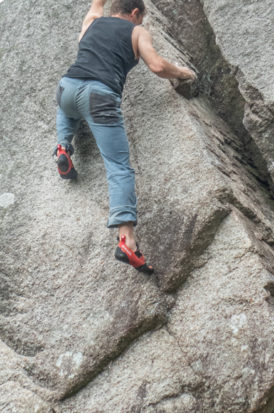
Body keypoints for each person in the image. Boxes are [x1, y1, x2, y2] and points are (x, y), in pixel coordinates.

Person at [54, 0, 196, 274]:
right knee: (119, 168)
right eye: (141, 18)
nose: (141, 23)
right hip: (100, 97)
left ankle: (63, 147)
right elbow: (156, 65)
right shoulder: (137, 32)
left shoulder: (93, 22)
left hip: (67, 87)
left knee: (67, 102)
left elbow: (96, 6)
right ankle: (126, 239)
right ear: (135, 13)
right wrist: (183, 73)